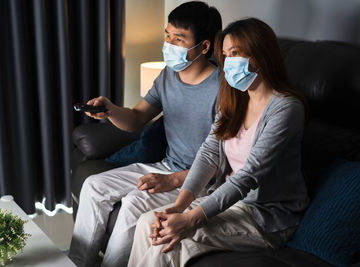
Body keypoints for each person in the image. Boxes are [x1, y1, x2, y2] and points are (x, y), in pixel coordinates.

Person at [128, 17, 310, 267]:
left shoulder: (286, 108)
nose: (228, 63)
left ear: (261, 53)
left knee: (170, 242)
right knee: (149, 221)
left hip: (264, 217)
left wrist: (192, 219)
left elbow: (248, 175)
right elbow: (209, 153)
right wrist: (180, 205)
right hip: (228, 202)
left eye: (235, 53)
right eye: (225, 55)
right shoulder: (235, 100)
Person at [68, 2, 222, 267]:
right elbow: (138, 118)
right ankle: (76, 263)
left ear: (204, 47)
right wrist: (111, 111)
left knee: (132, 203)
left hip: (199, 181)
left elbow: (225, 160)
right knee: (94, 185)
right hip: (166, 165)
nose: (169, 44)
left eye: (179, 38)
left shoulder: (223, 90)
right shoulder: (168, 76)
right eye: (167, 35)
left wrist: (173, 180)